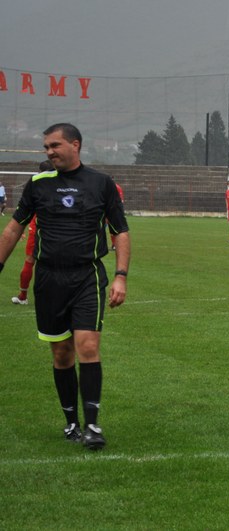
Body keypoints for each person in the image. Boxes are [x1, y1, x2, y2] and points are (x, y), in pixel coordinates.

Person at [0, 123, 130, 450]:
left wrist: (120, 275)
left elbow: (121, 232)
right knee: (61, 353)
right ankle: (71, 421)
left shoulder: (101, 184)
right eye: (46, 147)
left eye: (55, 145)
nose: (49, 152)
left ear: (75, 145)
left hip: (87, 276)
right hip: (48, 279)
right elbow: (13, 230)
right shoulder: (37, 184)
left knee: (87, 346)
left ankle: (93, 426)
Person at [11, 160, 53, 305]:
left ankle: (23, 296)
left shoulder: (35, 185)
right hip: (58, 231)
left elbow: (24, 212)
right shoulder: (62, 184)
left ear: (39, 171)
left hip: (37, 228)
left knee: (30, 261)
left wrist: (20, 230)